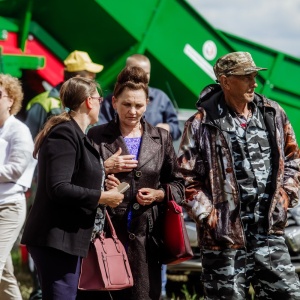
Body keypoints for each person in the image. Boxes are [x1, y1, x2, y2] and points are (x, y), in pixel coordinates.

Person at [177, 51, 300, 299]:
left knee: (288, 295)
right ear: (225, 81)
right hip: (224, 241)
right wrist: (210, 216)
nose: (254, 82)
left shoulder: (272, 113)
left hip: (268, 232)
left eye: (254, 76)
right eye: (246, 77)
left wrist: (285, 197)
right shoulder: (200, 123)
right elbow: (185, 178)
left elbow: (293, 160)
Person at [21, 77, 124, 300]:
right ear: (89, 102)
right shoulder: (64, 134)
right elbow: (59, 188)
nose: (101, 103)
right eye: (99, 98)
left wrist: (102, 175)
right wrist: (102, 197)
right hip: (56, 240)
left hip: (67, 240)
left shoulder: (76, 133)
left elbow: (75, 175)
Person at [86, 66, 185, 300]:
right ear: (114, 102)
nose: (132, 111)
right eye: (126, 104)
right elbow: (78, 181)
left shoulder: (161, 138)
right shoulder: (96, 136)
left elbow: (179, 184)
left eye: (138, 105)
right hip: (106, 235)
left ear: (147, 104)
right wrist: (102, 179)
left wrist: (160, 194)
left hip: (147, 237)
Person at [0, 74, 36, 300]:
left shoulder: (19, 130)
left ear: (11, 99)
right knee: (4, 271)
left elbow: (15, 169)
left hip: (9, 207)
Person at [98, 53, 181, 141]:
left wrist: (168, 128)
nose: (142, 77)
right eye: (127, 104)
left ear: (147, 102)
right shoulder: (111, 100)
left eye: (147, 73)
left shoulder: (161, 98)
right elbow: (102, 130)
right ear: (115, 102)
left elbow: (177, 130)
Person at [25, 50, 103, 138]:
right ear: (77, 79)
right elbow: (28, 140)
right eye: (90, 78)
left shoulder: (87, 105)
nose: (93, 83)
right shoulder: (44, 103)